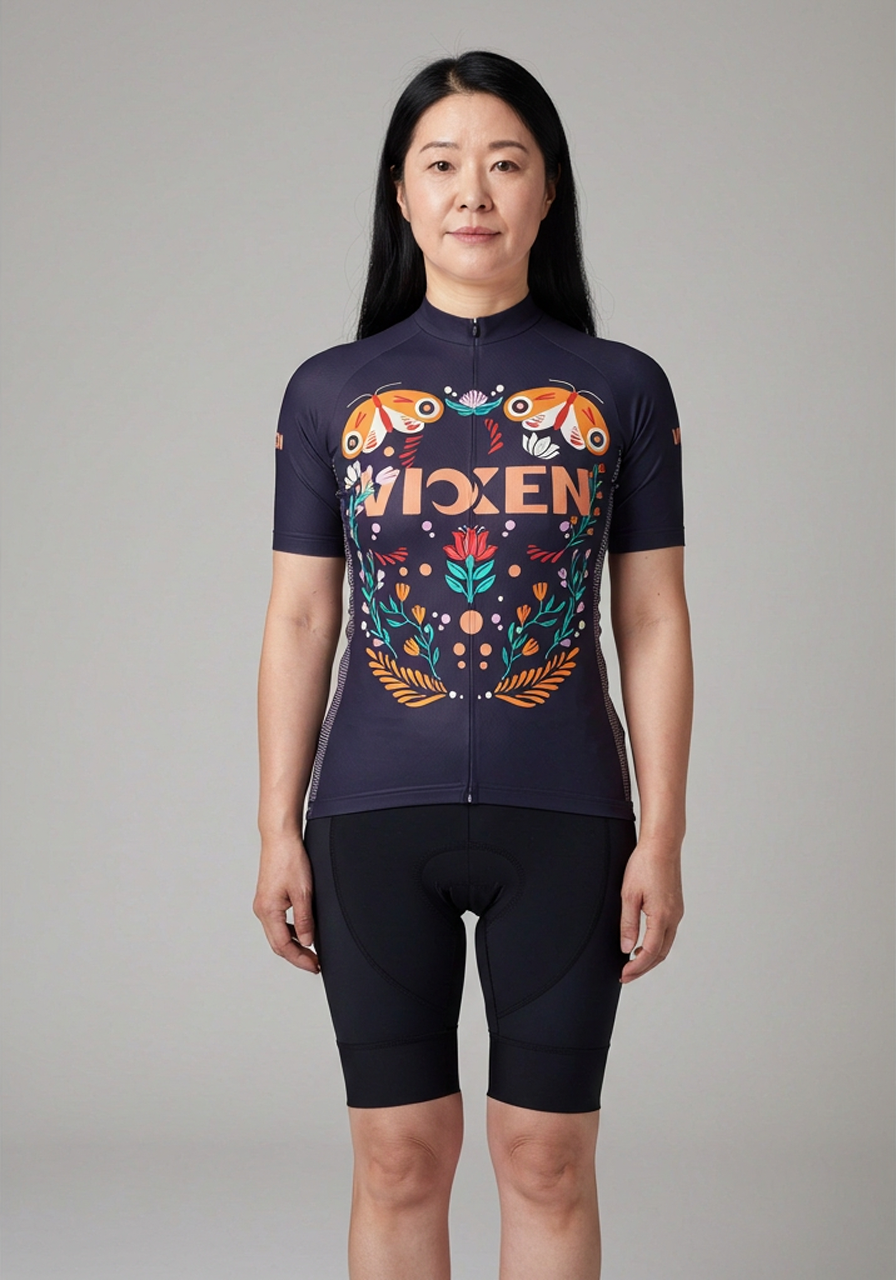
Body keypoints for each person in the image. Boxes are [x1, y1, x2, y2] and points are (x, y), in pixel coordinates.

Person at [254, 49, 692, 1280]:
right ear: (399, 194)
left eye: (504, 163)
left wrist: (661, 833)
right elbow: (300, 619)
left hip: (567, 815)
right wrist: (274, 827)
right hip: (367, 816)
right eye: (441, 164)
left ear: (547, 191)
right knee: (397, 1159)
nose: (472, 193)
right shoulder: (329, 391)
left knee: (545, 1159)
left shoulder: (621, 388)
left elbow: (652, 617)